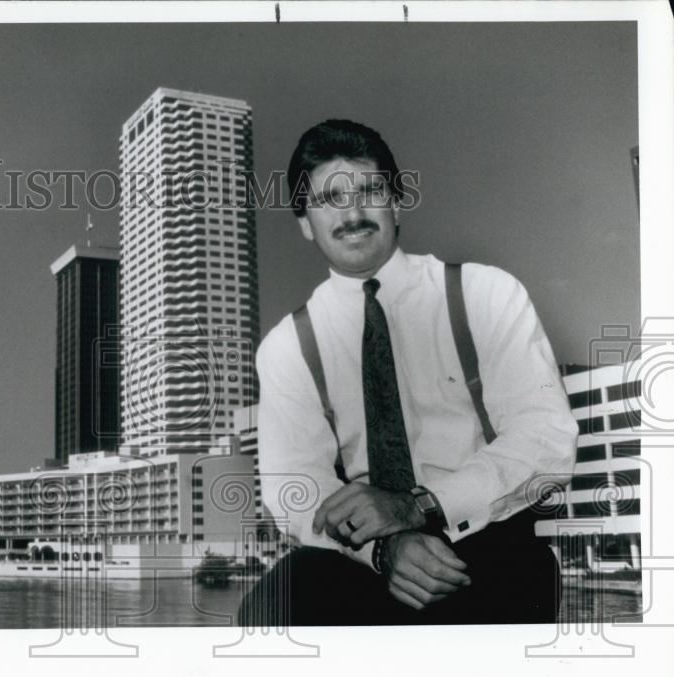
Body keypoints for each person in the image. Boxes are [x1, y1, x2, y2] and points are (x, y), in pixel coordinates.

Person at [238, 119, 578, 626]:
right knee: (268, 613)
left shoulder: (484, 294)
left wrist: (419, 506)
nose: (353, 213)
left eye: (370, 191)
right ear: (305, 222)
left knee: (518, 591)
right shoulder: (287, 347)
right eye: (330, 198)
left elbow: (545, 438)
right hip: (365, 556)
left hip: (484, 541)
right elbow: (296, 487)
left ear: (396, 203)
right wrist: (384, 548)